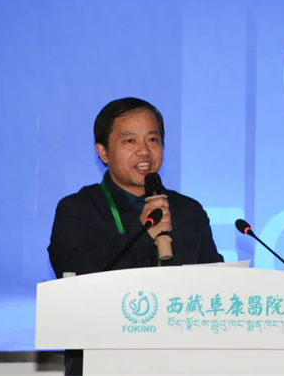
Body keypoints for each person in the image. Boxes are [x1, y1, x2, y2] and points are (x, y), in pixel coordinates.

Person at [47, 97, 223, 375]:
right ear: (103, 152)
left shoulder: (189, 211)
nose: (144, 151)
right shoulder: (77, 209)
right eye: (130, 141)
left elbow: (216, 288)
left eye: (153, 139)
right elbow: (78, 281)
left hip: (179, 363)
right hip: (101, 363)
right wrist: (141, 233)